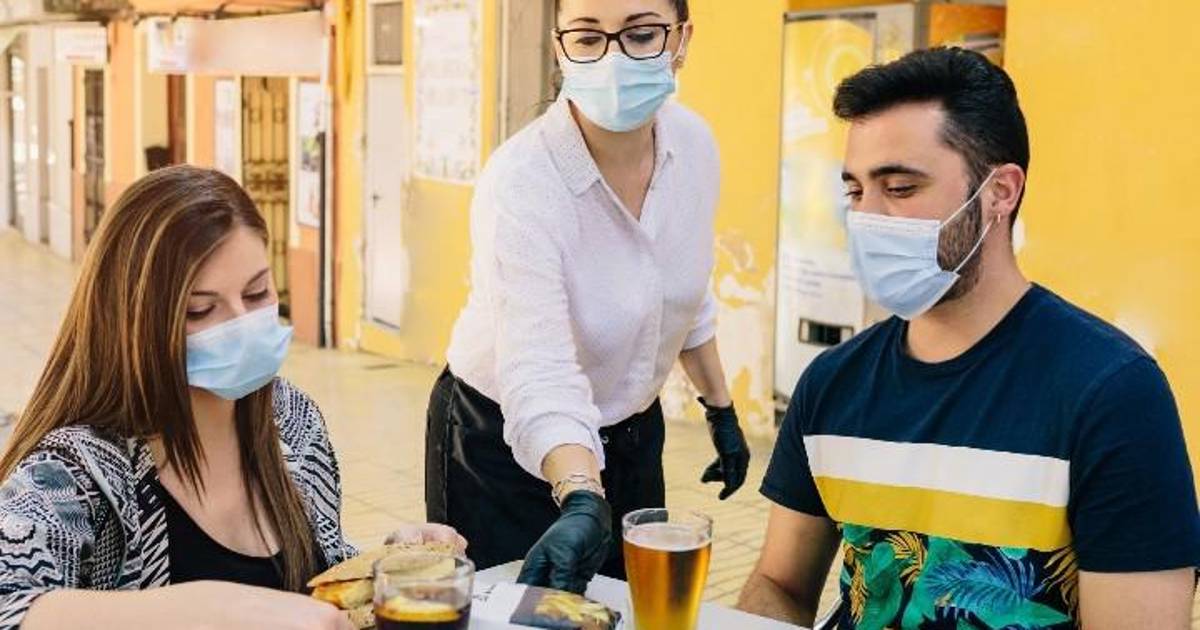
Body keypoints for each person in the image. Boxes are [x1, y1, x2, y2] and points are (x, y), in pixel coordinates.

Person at [738, 48, 1200, 629]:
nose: (867, 218)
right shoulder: (833, 384)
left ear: (1000, 191)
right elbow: (779, 583)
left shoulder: (1111, 394)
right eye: (855, 192)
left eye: (900, 187)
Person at [0, 166, 463, 629]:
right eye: (200, 309)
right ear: (137, 321)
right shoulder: (77, 474)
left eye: (257, 292)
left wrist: (385, 568)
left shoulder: (293, 420)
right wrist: (204, 609)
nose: (242, 322)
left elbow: (315, 587)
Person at [426, 0, 750, 593]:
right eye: (587, 37)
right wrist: (581, 496)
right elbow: (539, 367)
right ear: (560, 48)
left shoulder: (694, 146)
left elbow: (682, 293)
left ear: (681, 39)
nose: (614, 58)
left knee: (625, 604)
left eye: (642, 34)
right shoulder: (522, 181)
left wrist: (720, 409)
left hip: (629, 428)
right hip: (502, 436)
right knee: (517, 610)